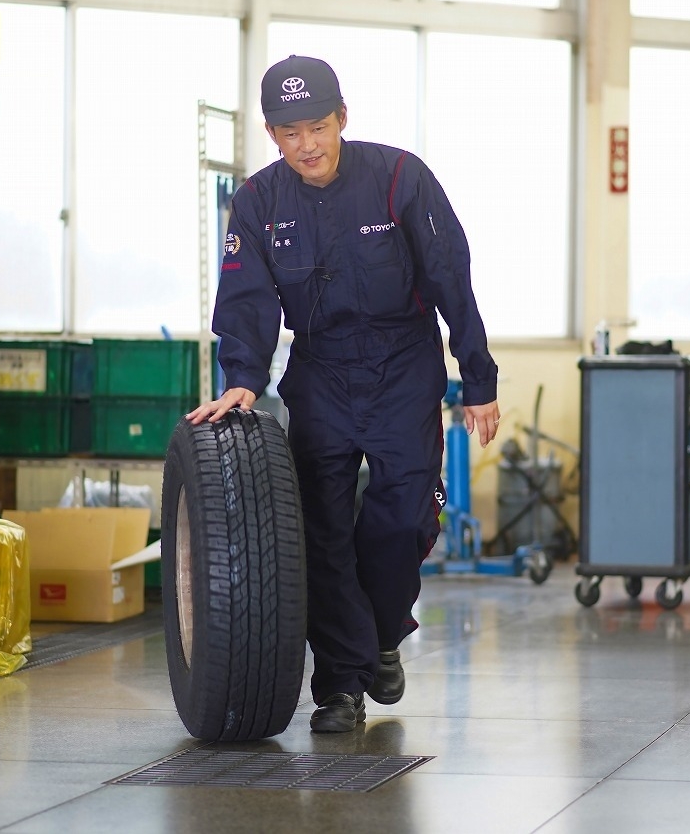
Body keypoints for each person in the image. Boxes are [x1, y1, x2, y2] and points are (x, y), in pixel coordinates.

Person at [187, 55, 500, 733]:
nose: (309, 144)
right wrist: (242, 377)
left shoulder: (398, 179)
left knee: (405, 518)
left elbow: (452, 276)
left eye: (320, 127)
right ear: (273, 133)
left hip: (403, 368)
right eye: (292, 131)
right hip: (322, 374)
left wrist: (478, 377)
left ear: (343, 120)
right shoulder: (260, 202)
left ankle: (381, 634)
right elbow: (244, 297)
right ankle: (339, 688)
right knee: (321, 533)